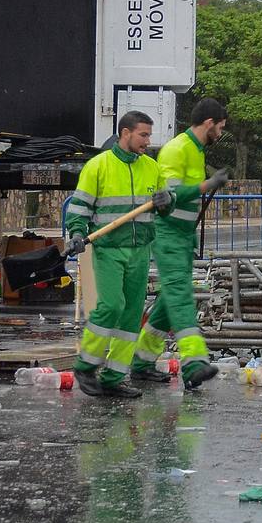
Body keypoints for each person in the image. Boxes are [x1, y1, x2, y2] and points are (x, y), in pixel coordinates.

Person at [131, 99, 230, 390]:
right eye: (220, 128)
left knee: (166, 302)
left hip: (182, 234)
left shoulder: (195, 150)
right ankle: (194, 362)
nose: (221, 134)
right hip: (168, 233)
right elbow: (171, 194)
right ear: (209, 123)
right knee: (180, 294)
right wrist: (207, 185)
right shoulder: (177, 149)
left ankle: (141, 362)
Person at [65, 112, 161, 398]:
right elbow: (80, 206)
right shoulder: (99, 166)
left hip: (140, 249)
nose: (147, 141)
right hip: (109, 248)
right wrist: (78, 232)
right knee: (112, 306)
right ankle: (86, 365)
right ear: (125, 133)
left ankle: (113, 377)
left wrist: (168, 201)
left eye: (149, 135)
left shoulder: (152, 168)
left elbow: (163, 203)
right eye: (143, 135)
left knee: (132, 316)